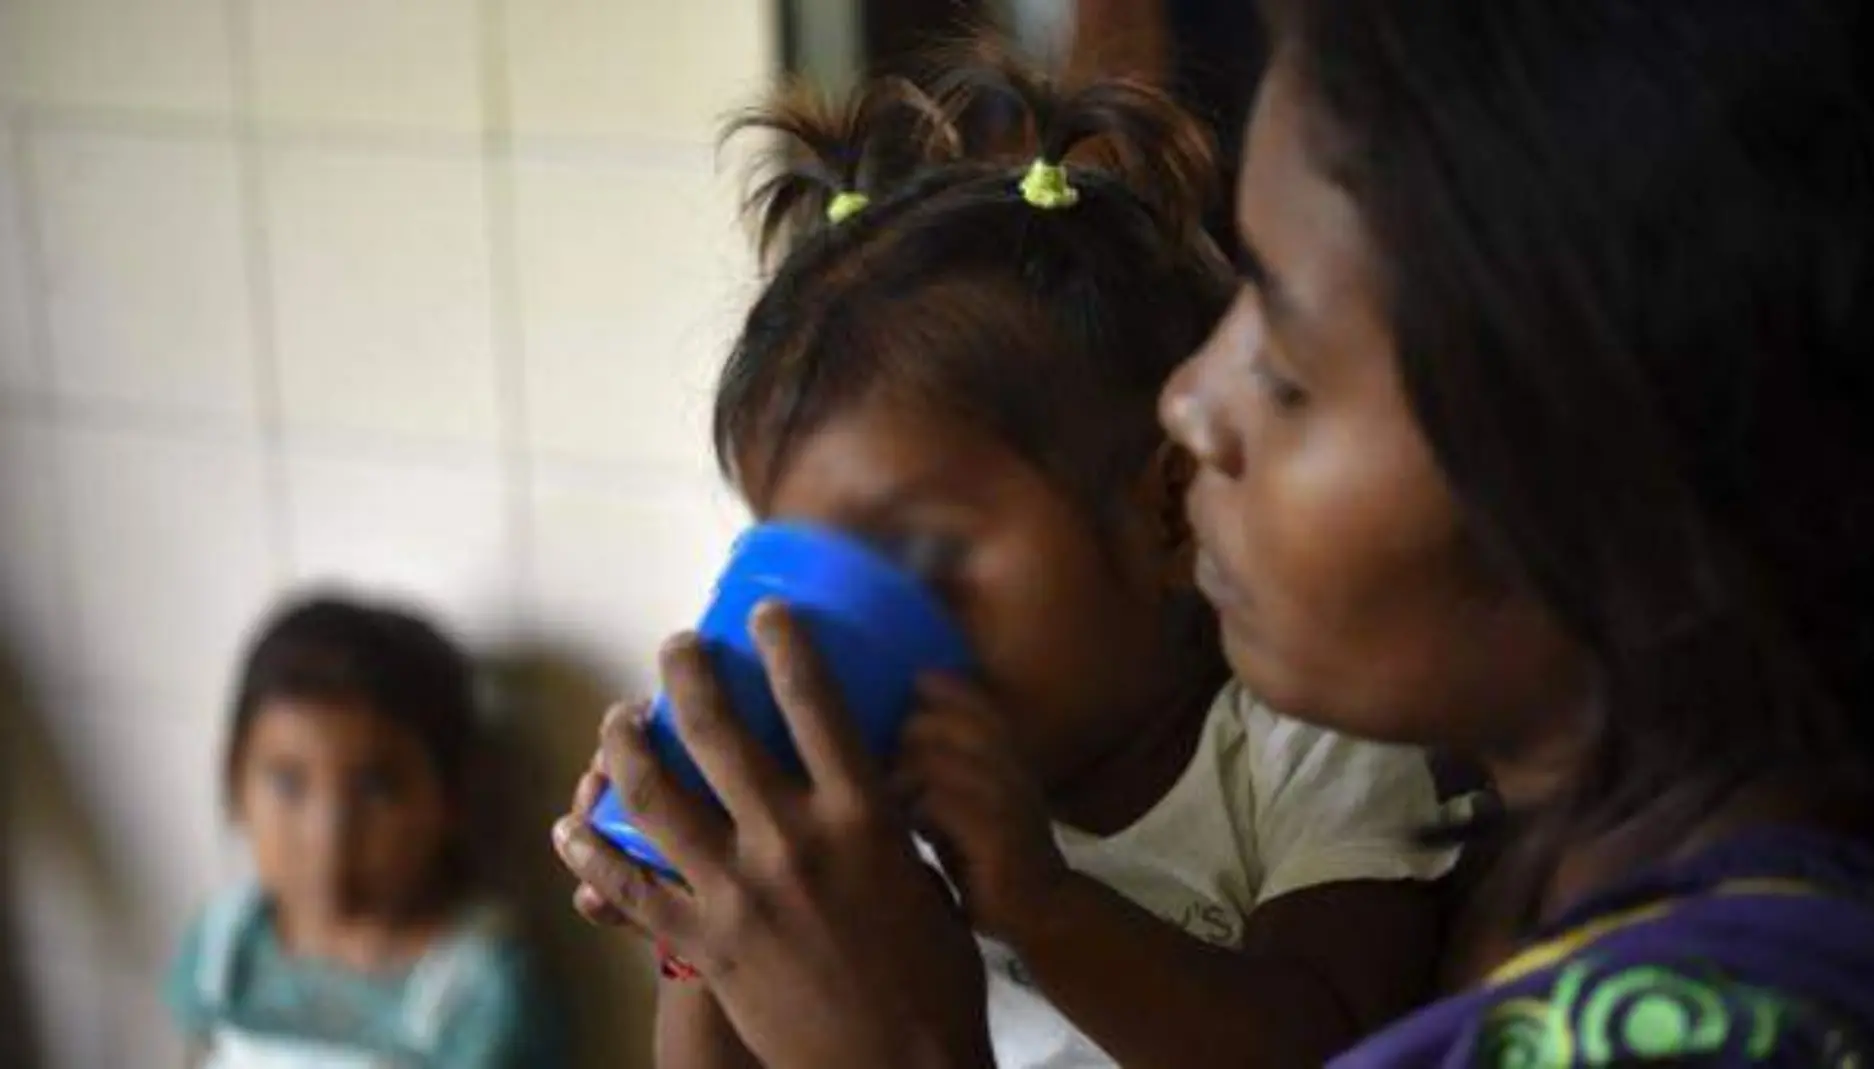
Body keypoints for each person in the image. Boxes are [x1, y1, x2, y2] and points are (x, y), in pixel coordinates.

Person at [557, 0, 1874, 1063]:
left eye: (1289, 355)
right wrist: (711, 914)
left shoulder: (1733, 1023)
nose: (1190, 403)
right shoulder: (1561, 873)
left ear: (1608, 446)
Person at [604, 56, 1455, 1069]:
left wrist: (1043, 904)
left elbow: (1327, 1045)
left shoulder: (1310, 747)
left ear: (1170, 515)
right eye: (797, 563)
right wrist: (705, 915)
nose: (841, 627)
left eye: (915, 551)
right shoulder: (867, 797)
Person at [168, 594, 563, 1067]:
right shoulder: (225, 952)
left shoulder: (478, 997)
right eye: (288, 783)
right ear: (234, 782)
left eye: (376, 789)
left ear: (454, 797)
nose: (328, 834)